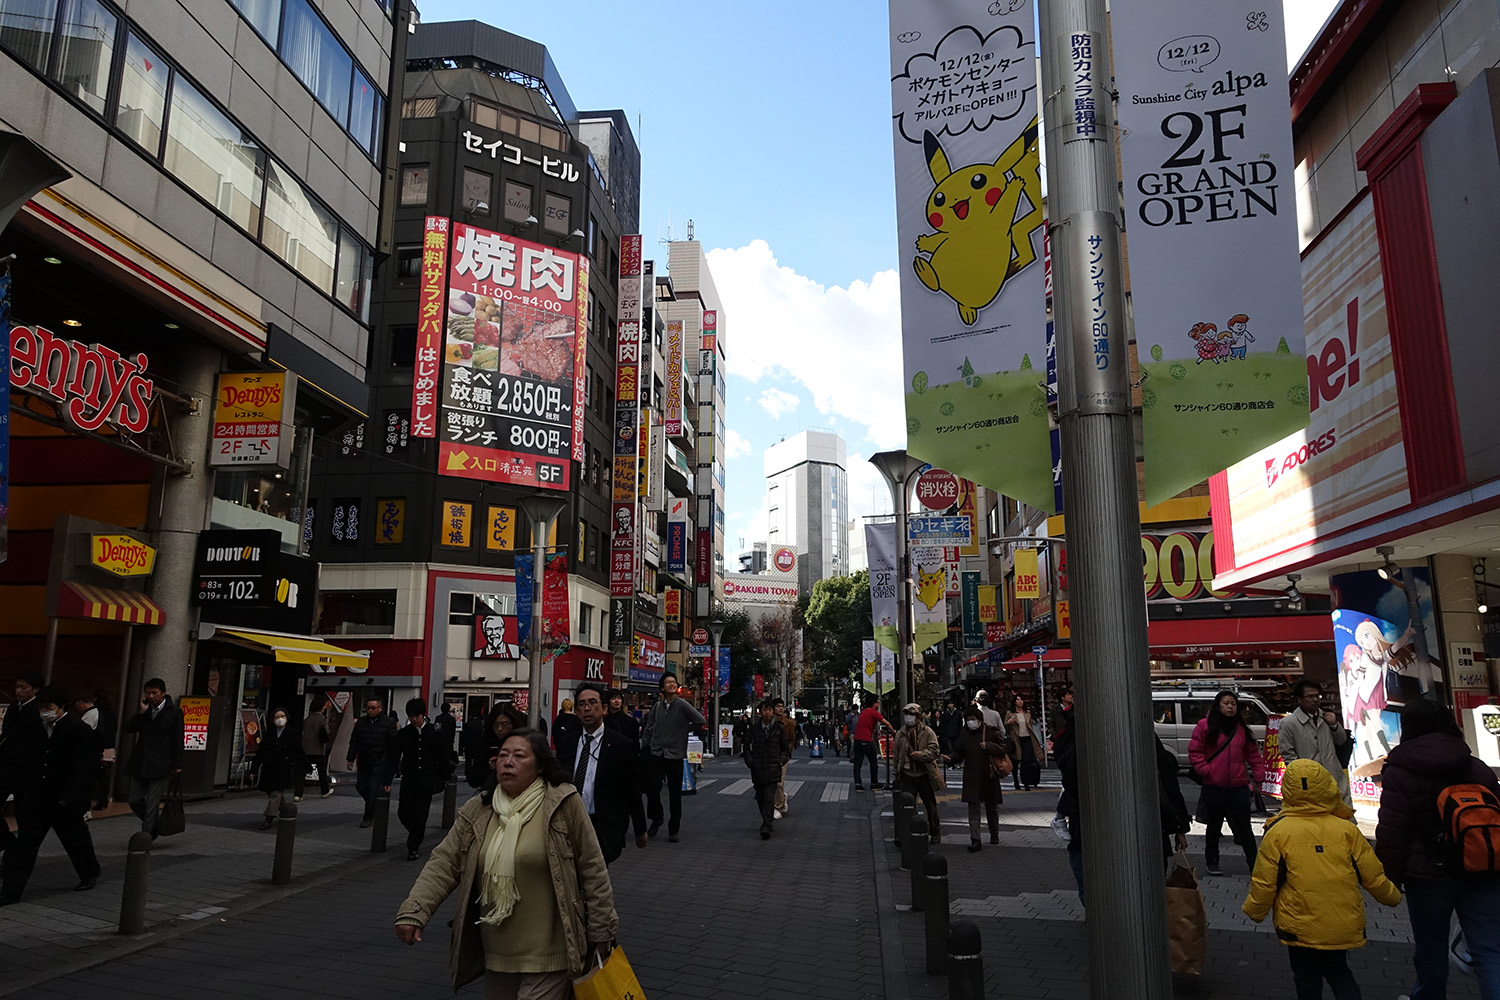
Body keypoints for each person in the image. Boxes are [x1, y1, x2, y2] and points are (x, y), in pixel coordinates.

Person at [393, 729, 618, 998]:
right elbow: (444, 863)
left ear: (539, 766)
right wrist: (415, 911)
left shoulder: (563, 804)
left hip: (552, 954)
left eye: (519, 756)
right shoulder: (479, 809)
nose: (508, 762)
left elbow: (593, 868)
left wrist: (602, 929)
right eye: (503, 755)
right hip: (497, 955)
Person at [1243, 759, 1402, 1000]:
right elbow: (1373, 875)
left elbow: (1266, 881)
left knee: (1306, 977)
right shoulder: (1346, 830)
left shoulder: (1278, 832)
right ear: (1327, 786)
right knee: (1339, 972)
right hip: (1341, 921)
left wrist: (1255, 910)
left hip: (1298, 923)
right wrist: (1392, 896)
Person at [1375, 698, 1500, 998]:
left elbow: (1393, 831)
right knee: (1489, 949)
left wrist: (1387, 878)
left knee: (1431, 948)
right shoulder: (1475, 766)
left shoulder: (1400, 770)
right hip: (1482, 868)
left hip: (1429, 875)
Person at [0, 686, 101, 905]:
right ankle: (11, 891)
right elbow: (25, 760)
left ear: (62, 707)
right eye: (41, 707)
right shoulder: (35, 728)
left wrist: (71, 795)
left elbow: (82, 767)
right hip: (37, 798)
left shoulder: (78, 730)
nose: (44, 711)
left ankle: (89, 872)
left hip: (65, 798)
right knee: (25, 845)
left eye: (49, 707)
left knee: (75, 840)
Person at [554, 684, 646, 865]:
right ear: (576, 711)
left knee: (597, 874)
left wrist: (640, 828)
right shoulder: (566, 744)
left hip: (602, 824)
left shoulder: (620, 745)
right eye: (582, 704)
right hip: (570, 824)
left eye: (592, 703)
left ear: (604, 709)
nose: (587, 708)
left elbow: (631, 788)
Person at [1189, 690, 1267, 875]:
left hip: (1238, 785)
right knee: (1214, 825)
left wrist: (1259, 775)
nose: (1230, 707)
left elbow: (1253, 754)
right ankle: (1212, 861)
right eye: (1226, 703)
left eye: (1233, 704)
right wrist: (1206, 770)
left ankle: (1254, 864)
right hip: (1214, 785)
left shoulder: (1241, 728)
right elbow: (1195, 751)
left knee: (1244, 827)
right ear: (1218, 706)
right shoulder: (1205, 726)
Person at [640, 672, 705, 843]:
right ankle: (657, 817)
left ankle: (674, 829)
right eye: (668, 682)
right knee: (651, 788)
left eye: (674, 682)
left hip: (675, 755)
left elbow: (700, 720)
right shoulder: (657, 706)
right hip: (657, 752)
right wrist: (645, 744)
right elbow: (649, 726)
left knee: (675, 794)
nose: (672, 684)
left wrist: (684, 729)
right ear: (662, 687)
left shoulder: (682, 705)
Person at [388, 698, 452, 861]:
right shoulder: (404, 734)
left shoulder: (434, 732)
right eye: (411, 716)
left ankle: (413, 847)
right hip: (409, 779)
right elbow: (394, 756)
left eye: (416, 716)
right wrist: (387, 779)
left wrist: (445, 776)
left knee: (421, 814)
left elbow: (442, 755)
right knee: (403, 812)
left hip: (427, 780)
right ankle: (416, 832)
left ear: (423, 714)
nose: (413, 719)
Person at [123, 678, 182, 838]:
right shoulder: (145, 710)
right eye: (148, 693)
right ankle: (155, 825)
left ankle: (147, 836)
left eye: (154, 693)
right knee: (134, 800)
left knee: (151, 803)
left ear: (163, 693)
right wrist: (141, 713)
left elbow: (178, 738)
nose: (150, 696)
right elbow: (129, 728)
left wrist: (177, 763)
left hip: (162, 763)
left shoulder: (174, 712)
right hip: (141, 762)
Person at [1278, 679, 1352, 807]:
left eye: (1317, 696)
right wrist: (1302, 775)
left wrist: (1334, 725)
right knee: (1316, 814)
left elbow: (1341, 740)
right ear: (1299, 699)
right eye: (1310, 696)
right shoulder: (1289, 723)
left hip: (1334, 775)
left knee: (1343, 812)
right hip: (1309, 780)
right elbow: (1288, 754)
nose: (1315, 700)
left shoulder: (1326, 717)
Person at [944, 705, 1006, 852]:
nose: (970, 722)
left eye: (973, 719)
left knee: (992, 806)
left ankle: (994, 834)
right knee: (973, 808)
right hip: (971, 775)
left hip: (989, 775)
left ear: (979, 720)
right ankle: (975, 839)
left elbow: (1003, 748)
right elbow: (959, 753)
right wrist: (951, 758)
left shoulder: (990, 732)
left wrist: (989, 746)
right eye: (968, 719)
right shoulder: (964, 734)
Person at [0, 671, 46, 851]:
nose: (18, 691)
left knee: (24, 814)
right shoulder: (14, 707)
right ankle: (8, 843)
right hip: (7, 765)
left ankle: (19, 852)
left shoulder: (38, 710)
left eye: (23, 687)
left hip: (27, 770)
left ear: (35, 689)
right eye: (17, 687)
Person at [893, 703, 943, 844]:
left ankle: (935, 832)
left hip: (924, 774)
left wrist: (920, 755)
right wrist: (896, 771)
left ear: (918, 717)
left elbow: (935, 751)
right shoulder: (901, 733)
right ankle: (904, 834)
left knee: (930, 806)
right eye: (906, 715)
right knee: (906, 807)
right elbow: (896, 755)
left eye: (912, 715)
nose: (908, 718)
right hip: (907, 774)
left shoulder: (927, 732)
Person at [346, 696, 398, 828]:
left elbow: (393, 744)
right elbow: (354, 741)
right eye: (368, 708)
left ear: (380, 708)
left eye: (373, 708)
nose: (370, 710)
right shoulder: (361, 722)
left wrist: (390, 761)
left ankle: (368, 816)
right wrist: (350, 758)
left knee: (373, 787)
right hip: (364, 760)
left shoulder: (388, 722)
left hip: (379, 761)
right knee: (361, 786)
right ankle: (374, 804)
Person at [249, 708, 304, 830]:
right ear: (273, 720)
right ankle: (285, 810)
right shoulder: (269, 734)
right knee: (273, 792)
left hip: (284, 769)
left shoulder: (292, 734)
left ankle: (269, 818)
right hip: (269, 768)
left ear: (287, 718)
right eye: (277, 717)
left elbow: (299, 751)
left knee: (276, 793)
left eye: (282, 716)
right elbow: (260, 753)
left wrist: (305, 766)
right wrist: (253, 770)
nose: (280, 719)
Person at [743, 698, 791, 839]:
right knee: (760, 796)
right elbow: (746, 747)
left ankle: (767, 825)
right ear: (760, 712)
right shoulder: (754, 729)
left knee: (769, 797)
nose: (767, 713)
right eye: (765, 710)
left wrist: (781, 760)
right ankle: (767, 820)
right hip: (757, 768)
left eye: (769, 710)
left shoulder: (778, 728)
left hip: (773, 768)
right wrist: (750, 761)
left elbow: (785, 748)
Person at [74, 690, 114, 812]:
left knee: (89, 780)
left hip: (93, 751)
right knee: (102, 777)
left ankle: (87, 807)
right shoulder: (107, 713)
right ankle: (102, 800)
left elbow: (83, 734)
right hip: (106, 747)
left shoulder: (92, 714)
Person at [468, 703, 524, 789]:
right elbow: (474, 779)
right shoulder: (486, 742)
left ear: (512, 724)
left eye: (504, 725)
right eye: (495, 725)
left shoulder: (523, 743)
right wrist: (489, 768)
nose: (499, 729)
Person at [295, 697, 333, 802]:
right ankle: (324, 791)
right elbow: (326, 732)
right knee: (321, 771)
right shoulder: (322, 719)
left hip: (305, 748)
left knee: (301, 772)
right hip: (318, 749)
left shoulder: (307, 719)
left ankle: (298, 794)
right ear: (321, 707)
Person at [851, 695, 889, 791]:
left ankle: (858, 784)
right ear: (874, 703)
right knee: (873, 761)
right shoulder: (873, 712)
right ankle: (874, 783)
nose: (879, 704)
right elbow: (886, 723)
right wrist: (894, 731)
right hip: (866, 740)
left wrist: (875, 731)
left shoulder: (863, 712)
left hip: (857, 739)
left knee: (857, 763)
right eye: (877, 702)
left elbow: (866, 726)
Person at [1005, 695, 1041, 791]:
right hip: (1016, 739)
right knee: (1015, 761)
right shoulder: (1010, 713)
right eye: (1018, 700)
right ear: (1014, 702)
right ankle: (1016, 781)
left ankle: (1026, 782)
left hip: (1027, 738)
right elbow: (1005, 727)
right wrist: (1008, 723)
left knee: (1026, 762)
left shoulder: (1027, 712)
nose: (1020, 701)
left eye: (1021, 700)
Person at [772, 698, 795, 820]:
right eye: (778, 706)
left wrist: (786, 750)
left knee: (779, 782)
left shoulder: (789, 724)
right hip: (770, 755)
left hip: (782, 756)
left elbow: (792, 740)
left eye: (782, 706)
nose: (781, 708)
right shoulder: (768, 722)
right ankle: (782, 798)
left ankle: (777, 807)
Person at [435, 701, 459, 767]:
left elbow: (436, 730)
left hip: (440, 741)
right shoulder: (452, 719)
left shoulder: (438, 718)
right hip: (449, 742)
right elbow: (453, 731)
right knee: (449, 758)